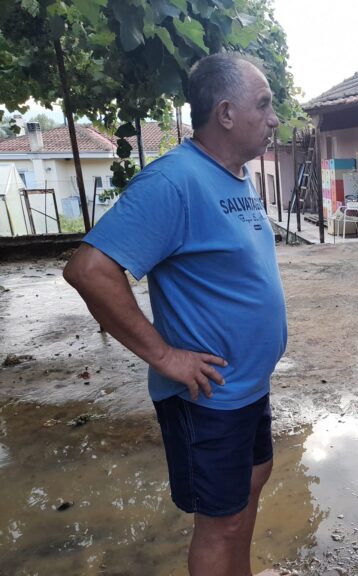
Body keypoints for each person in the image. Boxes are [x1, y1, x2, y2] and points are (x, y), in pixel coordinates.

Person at [63, 53, 286, 576]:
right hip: (206, 396)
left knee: (253, 482)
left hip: (247, 386)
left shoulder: (235, 177)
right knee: (220, 521)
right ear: (226, 113)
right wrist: (165, 356)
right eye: (264, 104)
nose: (275, 117)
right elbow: (89, 270)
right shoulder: (172, 182)